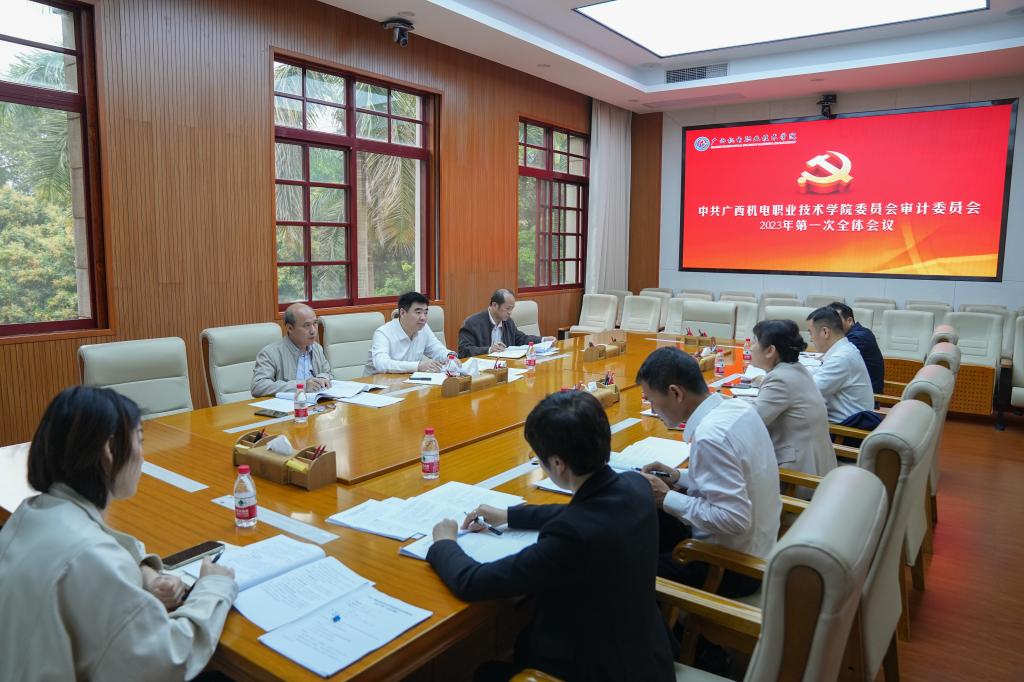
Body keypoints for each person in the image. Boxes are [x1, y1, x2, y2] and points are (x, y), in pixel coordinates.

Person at [427, 391, 675, 682]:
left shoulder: (572, 536)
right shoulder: (635, 485)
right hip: (647, 657)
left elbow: (473, 582)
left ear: (557, 464)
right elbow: (581, 511)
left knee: (485, 672)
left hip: (598, 670)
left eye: (539, 458)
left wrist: (444, 542)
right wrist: (509, 515)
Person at [0, 386, 238, 680]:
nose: (143, 457)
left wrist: (145, 573)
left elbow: (97, 544)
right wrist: (213, 587)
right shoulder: (91, 556)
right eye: (139, 440)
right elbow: (168, 659)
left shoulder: (33, 513)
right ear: (110, 451)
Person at [637, 347, 780, 598]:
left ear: (675, 393)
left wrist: (666, 496)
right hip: (759, 544)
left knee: (626, 569)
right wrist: (677, 476)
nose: (653, 409)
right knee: (651, 519)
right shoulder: (737, 408)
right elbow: (734, 477)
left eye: (651, 400)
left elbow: (733, 518)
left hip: (731, 566)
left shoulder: (710, 437)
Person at [749, 320, 836, 490]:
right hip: (817, 466)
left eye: (755, 342)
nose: (751, 348)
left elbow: (750, 421)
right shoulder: (797, 369)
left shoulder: (779, 379)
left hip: (797, 478)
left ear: (770, 350)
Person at [806, 307, 876, 425]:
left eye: (811, 333)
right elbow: (819, 371)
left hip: (845, 430)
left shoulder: (841, 358)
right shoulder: (845, 349)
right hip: (844, 422)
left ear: (825, 332)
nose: (811, 338)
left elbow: (808, 391)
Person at [251, 302, 333, 397]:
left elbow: (328, 374)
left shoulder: (317, 348)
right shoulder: (270, 353)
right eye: (306, 325)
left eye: (315, 323)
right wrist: (302, 386)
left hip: (316, 403)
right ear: (290, 328)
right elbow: (258, 386)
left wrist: (323, 378)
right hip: (287, 405)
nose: (313, 331)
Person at [365, 291, 454, 374]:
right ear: (402, 313)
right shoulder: (383, 333)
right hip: (376, 383)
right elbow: (382, 364)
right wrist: (418, 366)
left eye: (425, 313)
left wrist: (449, 356)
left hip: (408, 380)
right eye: (418, 312)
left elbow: (437, 349)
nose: (423, 318)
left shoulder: (424, 328)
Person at [457, 289, 554, 358]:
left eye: (512, 309)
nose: (510, 312)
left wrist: (543, 340)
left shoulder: (507, 322)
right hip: (482, 370)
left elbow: (521, 338)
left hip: (505, 366)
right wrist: (489, 349)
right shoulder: (472, 323)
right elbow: (464, 350)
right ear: (494, 305)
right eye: (507, 308)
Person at [830, 302, 884, 394]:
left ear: (849, 321)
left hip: (866, 397)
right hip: (856, 389)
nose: (831, 325)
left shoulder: (858, 337)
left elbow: (835, 363)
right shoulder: (860, 332)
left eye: (835, 321)